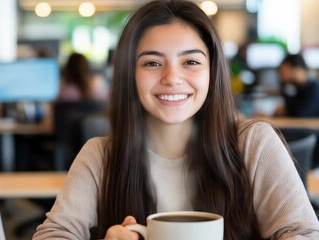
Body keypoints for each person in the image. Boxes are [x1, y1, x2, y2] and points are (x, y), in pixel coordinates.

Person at [33, 0, 319, 239]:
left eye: (191, 61)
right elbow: (53, 234)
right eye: (152, 63)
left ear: (213, 71)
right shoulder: (101, 156)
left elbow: (303, 233)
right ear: (129, 75)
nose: (171, 78)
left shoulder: (254, 144)